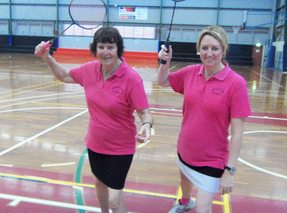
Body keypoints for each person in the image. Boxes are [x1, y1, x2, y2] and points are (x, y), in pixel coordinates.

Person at [35, 26, 153, 213]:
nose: (105, 52)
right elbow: (64, 76)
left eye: (110, 47)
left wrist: (146, 125)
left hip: (120, 148)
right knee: (99, 183)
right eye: (101, 47)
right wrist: (46, 57)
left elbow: (144, 112)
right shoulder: (90, 70)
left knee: (115, 200)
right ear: (95, 49)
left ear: (118, 49)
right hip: (96, 143)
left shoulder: (131, 78)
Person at [158, 25, 251, 213]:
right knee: (184, 180)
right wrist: (164, 62)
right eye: (204, 48)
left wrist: (229, 170)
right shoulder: (191, 72)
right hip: (185, 149)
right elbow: (163, 81)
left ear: (223, 50)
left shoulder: (236, 83)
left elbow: (238, 131)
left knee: (203, 207)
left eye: (215, 48)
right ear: (198, 49)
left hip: (212, 159)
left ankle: (191, 203)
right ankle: (184, 202)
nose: (209, 53)